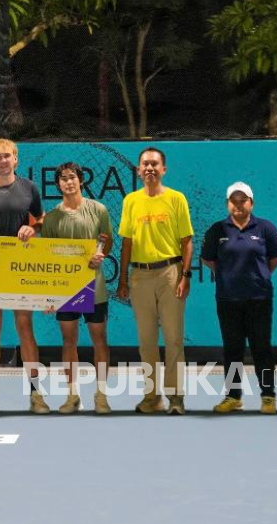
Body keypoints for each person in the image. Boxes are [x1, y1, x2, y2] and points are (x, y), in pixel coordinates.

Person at [117, 147, 193, 415]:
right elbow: (126, 242)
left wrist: (185, 275)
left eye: (154, 164)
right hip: (139, 277)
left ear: (164, 169)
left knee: (173, 340)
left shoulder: (176, 199)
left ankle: (175, 398)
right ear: (138, 170)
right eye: (145, 164)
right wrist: (123, 280)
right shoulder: (131, 201)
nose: (149, 168)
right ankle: (151, 398)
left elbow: (187, 241)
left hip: (170, 274)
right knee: (146, 342)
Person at [0, 138, 47, 415]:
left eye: (7, 156)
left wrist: (34, 229)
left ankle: (36, 394)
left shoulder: (30, 187)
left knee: (25, 327)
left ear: (16, 159)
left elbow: (40, 219)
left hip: (21, 269)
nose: (3, 160)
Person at [201, 183, 277, 414]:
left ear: (251, 202)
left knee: (262, 349)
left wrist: (260, 275)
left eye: (242, 200)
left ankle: (268, 397)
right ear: (228, 203)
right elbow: (209, 259)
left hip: (259, 299)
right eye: (233, 200)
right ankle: (233, 396)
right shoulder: (217, 230)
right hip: (228, 300)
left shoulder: (265, 228)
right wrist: (229, 276)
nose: (238, 204)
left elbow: (276, 256)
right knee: (233, 350)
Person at [41, 162, 113, 414]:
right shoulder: (50, 219)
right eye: (63, 178)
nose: (68, 182)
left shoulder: (99, 209)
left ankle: (101, 395)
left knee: (99, 340)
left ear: (80, 181)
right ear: (58, 184)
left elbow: (106, 240)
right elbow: (47, 258)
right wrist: (48, 296)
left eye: (72, 177)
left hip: (95, 288)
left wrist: (99, 254)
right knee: (68, 340)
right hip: (65, 291)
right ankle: (72, 395)